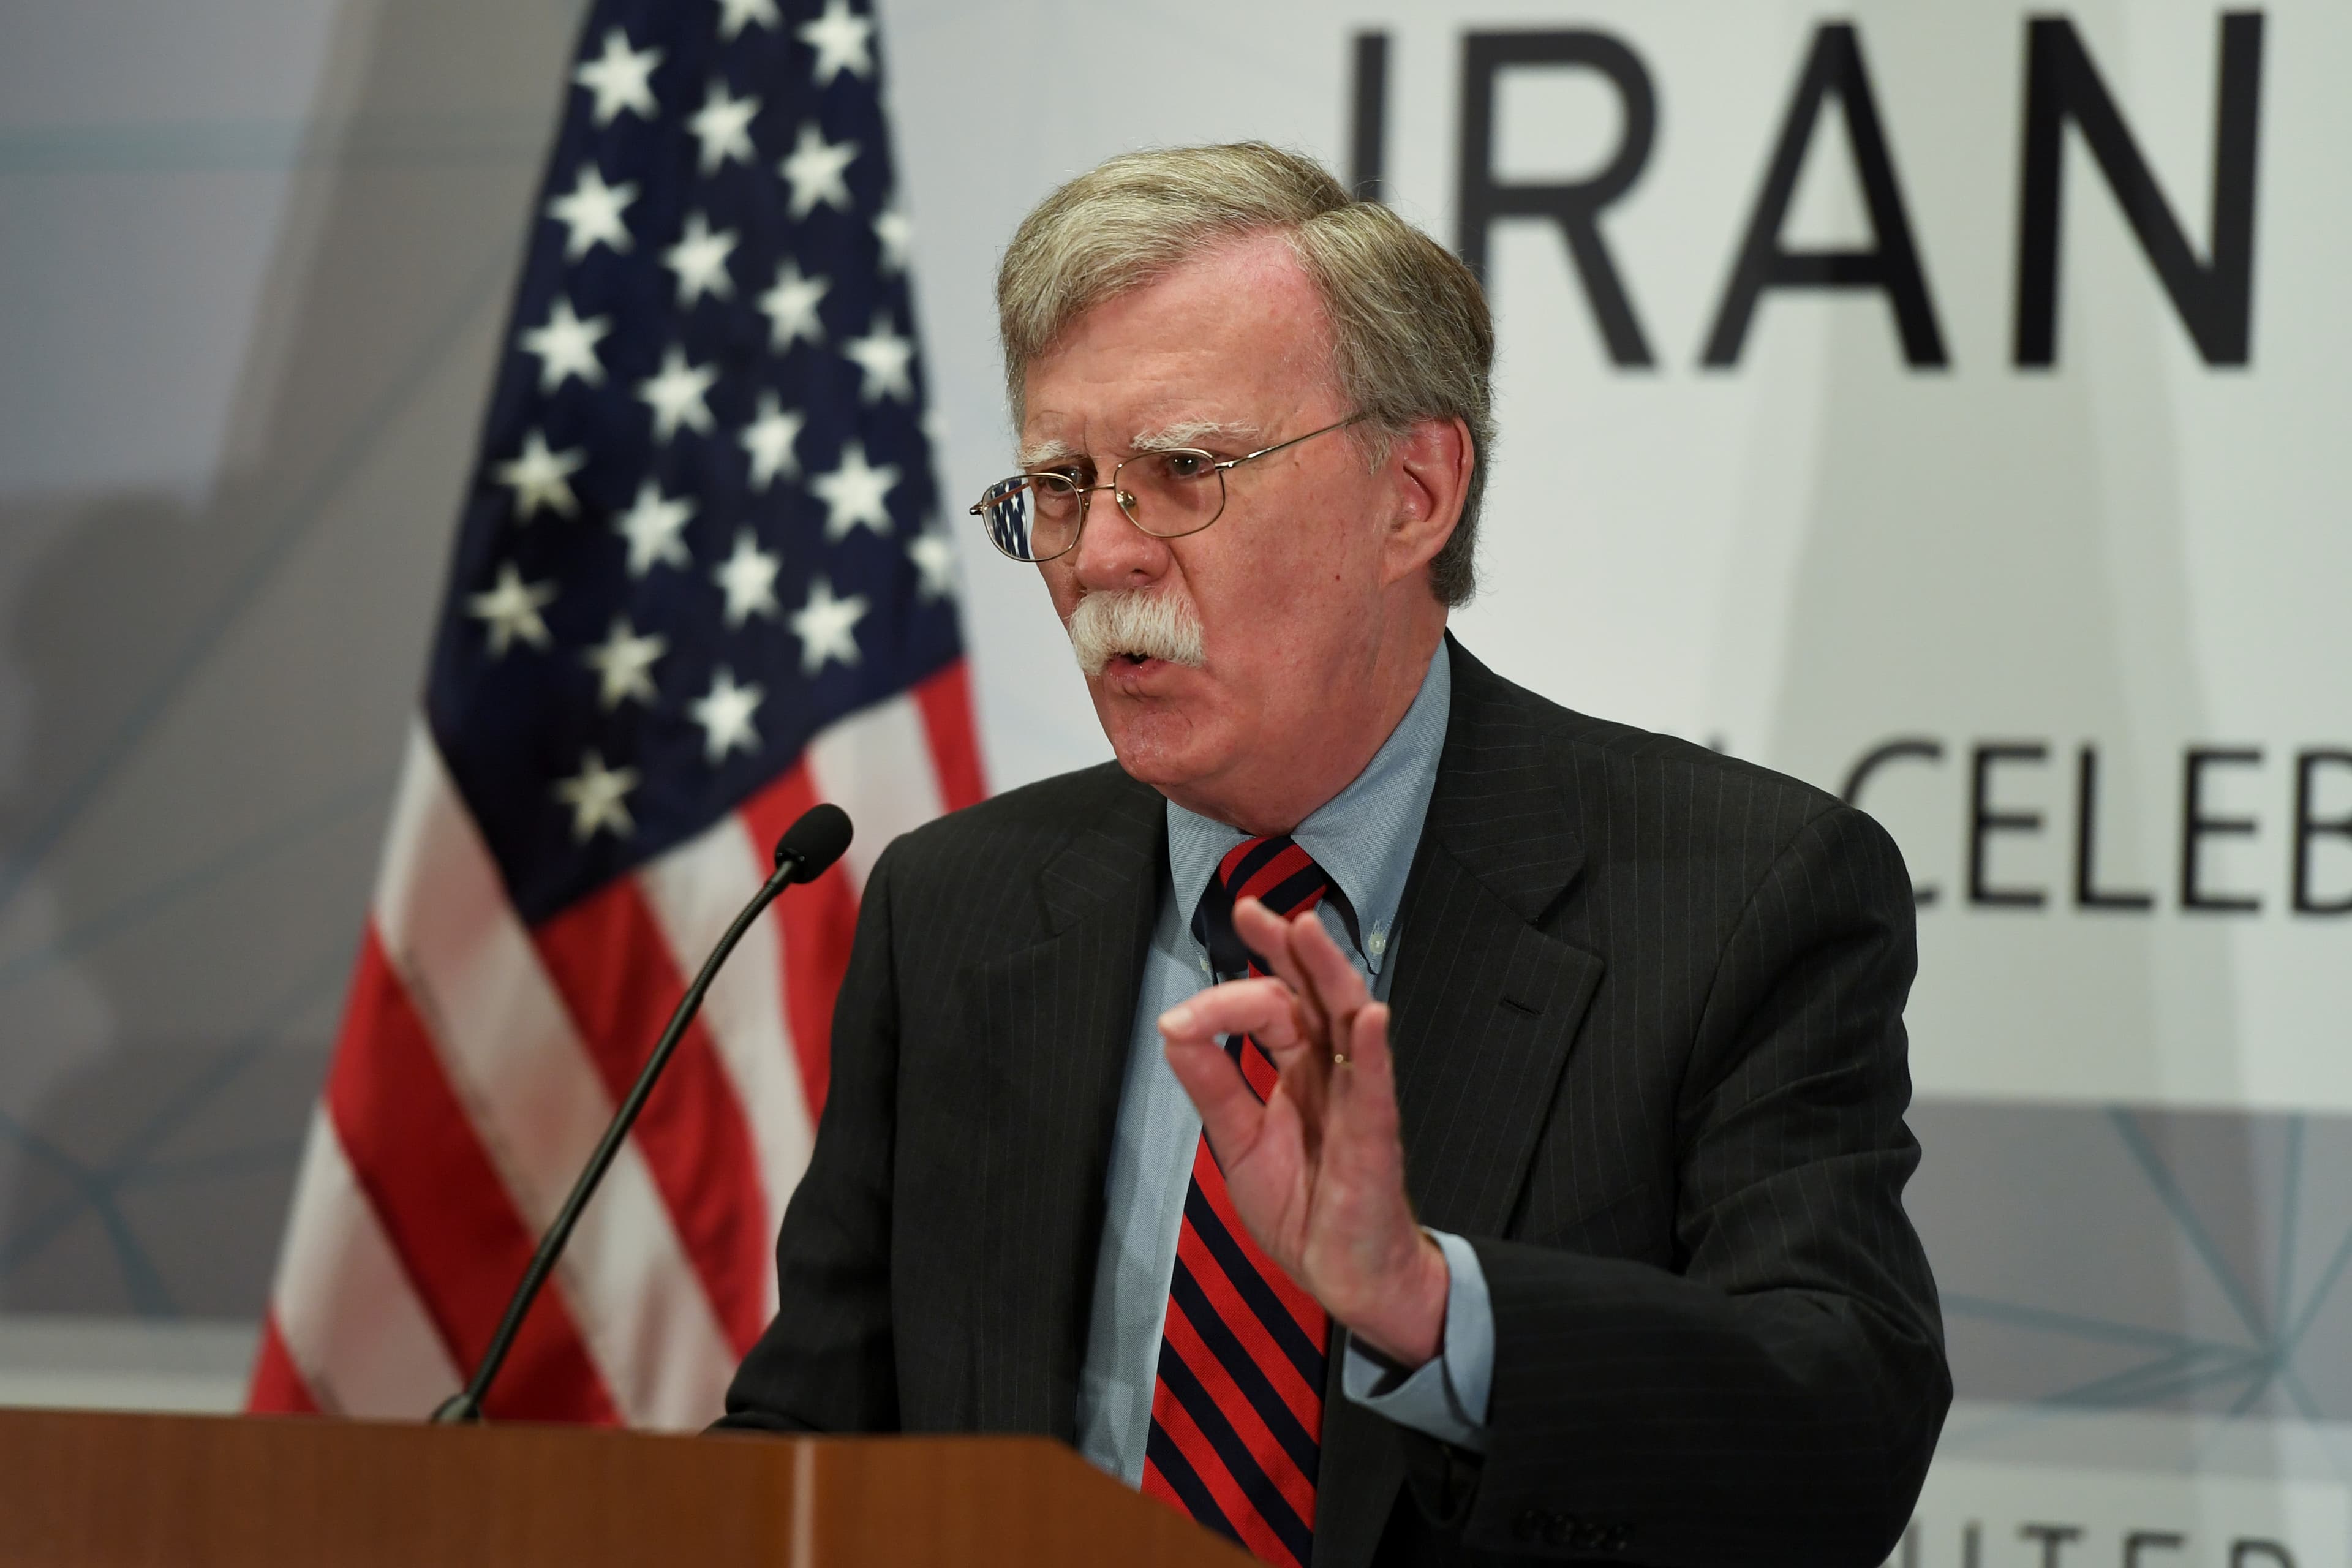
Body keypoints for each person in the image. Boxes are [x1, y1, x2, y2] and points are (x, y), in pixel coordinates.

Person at [720, 142, 1948, 1568]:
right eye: (1060, 482)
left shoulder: (1736, 893)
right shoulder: (958, 906)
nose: (1102, 554)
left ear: (1413, 493)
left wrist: (1431, 1307)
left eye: (1182, 471)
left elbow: (1841, 1433)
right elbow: (811, 1443)